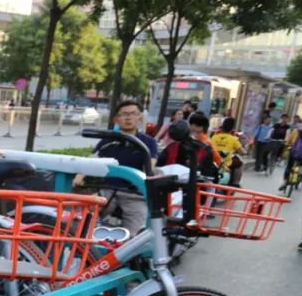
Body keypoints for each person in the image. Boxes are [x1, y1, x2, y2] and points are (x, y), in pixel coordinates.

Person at [74, 100, 158, 237]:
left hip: (134, 195)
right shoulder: (108, 141)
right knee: (81, 218)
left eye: (133, 114)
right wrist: (78, 178)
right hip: (107, 191)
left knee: (135, 235)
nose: (128, 118)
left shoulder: (148, 143)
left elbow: (150, 167)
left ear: (140, 118)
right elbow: (91, 160)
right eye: (124, 114)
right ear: (116, 119)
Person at [157, 111, 220, 179]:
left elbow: (208, 177)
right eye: (192, 131)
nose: (194, 135)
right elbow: (158, 167)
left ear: (205, 133)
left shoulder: (206, 150)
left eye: (198, 133)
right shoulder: (172, 147)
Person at [211, 117, 245, 186]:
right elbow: (242, 152)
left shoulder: (214, 137)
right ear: (232, 129)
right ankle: (236, 183)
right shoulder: (234, 139)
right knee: (240, 164)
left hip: (214, 162)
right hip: (226, 163)